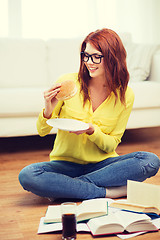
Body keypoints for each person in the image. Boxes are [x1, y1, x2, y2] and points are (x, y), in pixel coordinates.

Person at [19, 28, 160, 200]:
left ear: (112, 57)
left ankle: (66, 187)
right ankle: (107, 192)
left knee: (150, 160)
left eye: (96, 56)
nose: (89, 62)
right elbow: (42, 131)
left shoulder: (125, 95)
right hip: (65, 164)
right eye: (85, 55)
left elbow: (111, 145)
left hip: (103, 166)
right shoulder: (68, 83)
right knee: (28, 175)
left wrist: (92, 131)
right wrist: (48, 109)